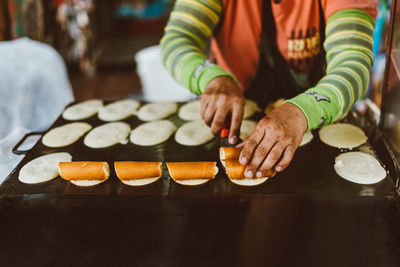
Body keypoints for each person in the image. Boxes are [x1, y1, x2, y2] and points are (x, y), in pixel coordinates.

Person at [160, 0, 376, 178]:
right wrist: (212, 78)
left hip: (319, 117)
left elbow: (353, 67)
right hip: (240, 118)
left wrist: (302, 111)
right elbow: (177, 41)